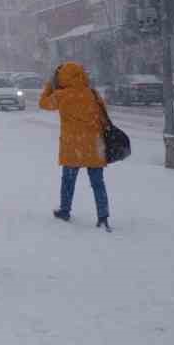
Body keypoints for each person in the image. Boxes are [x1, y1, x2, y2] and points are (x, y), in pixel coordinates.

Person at [38, 61, 112, 230]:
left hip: (73, 146)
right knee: (98, 183)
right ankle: (103, 215)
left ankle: (65, 211)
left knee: (68, 181)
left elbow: (43, 103)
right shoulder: (92, 93)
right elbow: (103, 116)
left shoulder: (62, 95)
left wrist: (50, 86)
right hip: (94, 145)